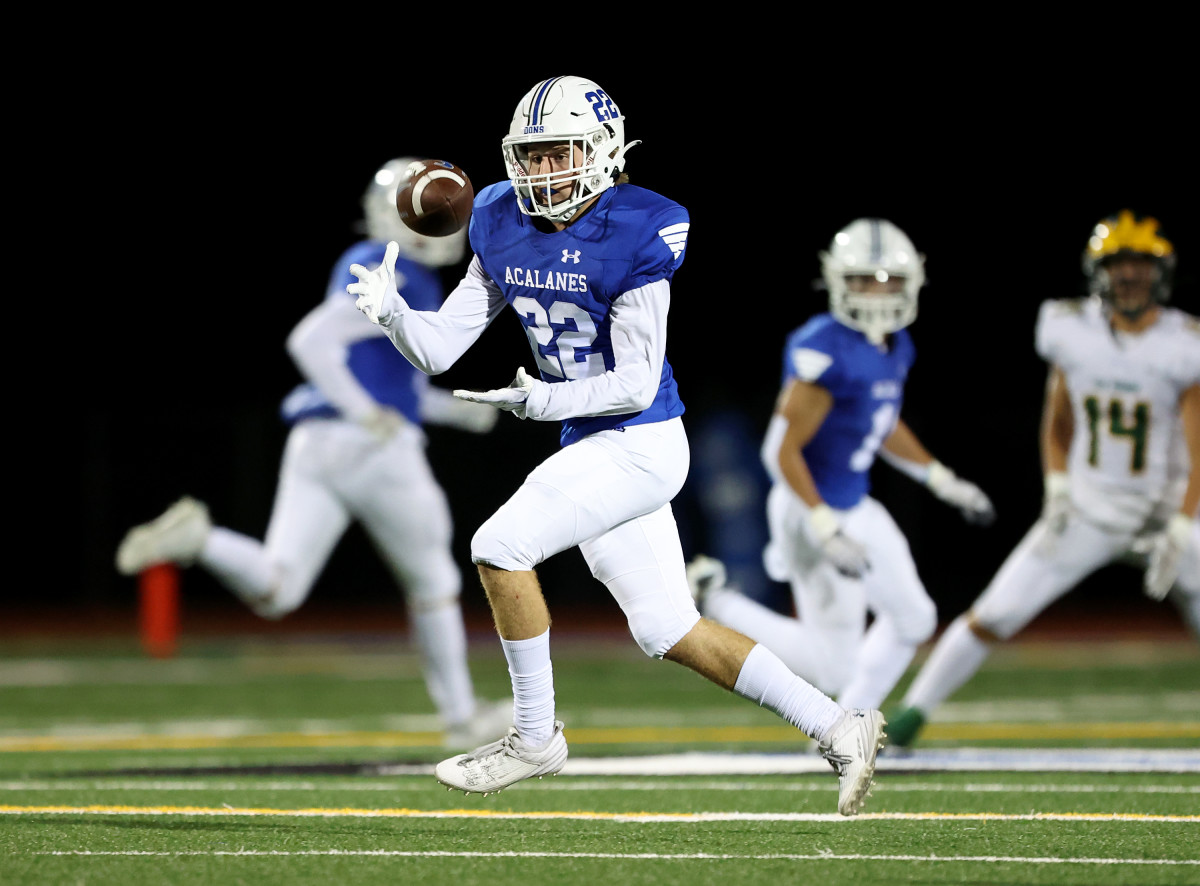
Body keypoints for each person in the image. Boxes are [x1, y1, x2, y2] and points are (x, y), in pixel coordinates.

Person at [347, 75, 886, 815]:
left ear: (602, 152)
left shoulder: (640, 226)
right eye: (530, 157)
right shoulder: (499, 217)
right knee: (668, 629)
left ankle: (534, 738)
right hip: (590, 440)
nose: (542, 173)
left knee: (499, 545)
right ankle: (839, 725)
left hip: (638, 441)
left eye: (558, 153)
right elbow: (442, 349)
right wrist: (395, 315)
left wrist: (542, 399)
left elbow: (634, 382)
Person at [115, 157, 513, 750]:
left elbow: (379, 379)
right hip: (372, 449)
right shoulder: (398, 271)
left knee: (279, 588)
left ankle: (202, 541)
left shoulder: (356, 263)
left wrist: (454, 411)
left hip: (314, 440)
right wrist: (364, 414)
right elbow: (312, 341)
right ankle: (460, 717)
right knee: (433, 580)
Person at [887, 209, 1200, 749]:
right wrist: (1056, 487)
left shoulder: (1183, 341)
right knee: (995, 613)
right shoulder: (1071, 329)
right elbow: (1056, 423)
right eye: (1119, 265)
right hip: (1088, 509)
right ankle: (911, 716)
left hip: (1165, 512)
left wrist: (1182, 526)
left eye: (1140, 265)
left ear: (1159, 272)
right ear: (1099, 271)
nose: (1129, 276)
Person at [686, 218, 996, 718]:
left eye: (886, 279)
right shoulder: (823, 347)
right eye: (862, 279)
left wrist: (940, 478)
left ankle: (852, 729)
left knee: (915, 618)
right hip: (808, 507)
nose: (876, 292)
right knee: (833, 668)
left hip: (853, 502)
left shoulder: (896, 343)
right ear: (837, 281)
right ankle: (715, 599)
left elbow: (882, 421)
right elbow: (780, 453)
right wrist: (825, 527)